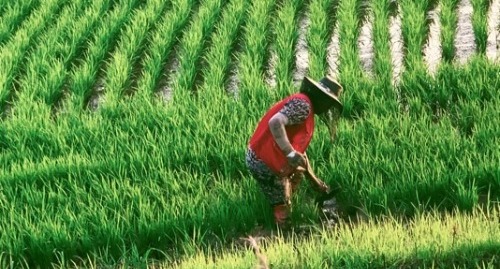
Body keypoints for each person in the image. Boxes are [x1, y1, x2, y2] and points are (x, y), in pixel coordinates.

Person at [246, 76, 343, 227]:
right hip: (263, 161)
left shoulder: (305, 106)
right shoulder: (303, 106)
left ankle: (287, 198)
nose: (327, 108)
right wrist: (289, 152)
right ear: (321, 98)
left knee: (296, 173)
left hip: (264, 155)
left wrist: (316, 182)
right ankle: (283, 231)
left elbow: (301, 156)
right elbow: (276, 122)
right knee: (281, 204)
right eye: (328, 102)